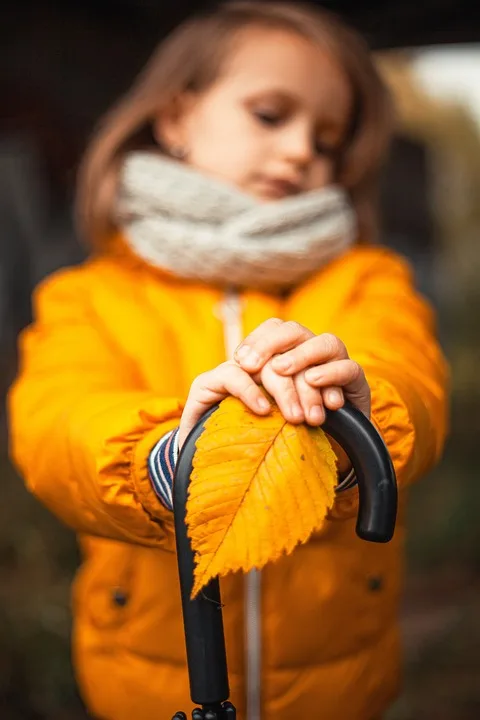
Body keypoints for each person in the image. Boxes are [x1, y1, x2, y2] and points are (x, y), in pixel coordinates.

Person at [8, 2, 448, 718]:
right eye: (272, 115)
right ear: (177, 119)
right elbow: (55, 423)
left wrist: (362, 408)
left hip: (339, 685)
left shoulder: (365, 280)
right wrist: (164, 455)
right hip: (150, 687)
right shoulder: (89, 297)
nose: (304, 148)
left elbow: (410, 374)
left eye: (329, 139)